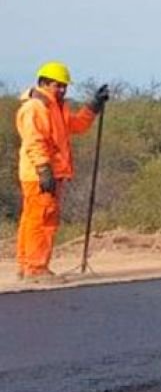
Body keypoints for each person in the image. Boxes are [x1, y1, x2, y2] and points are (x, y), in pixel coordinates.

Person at [15, 62, 109, 281]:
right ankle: (36, 268)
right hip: (40, 174)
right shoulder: (35, 108)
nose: (63, 90)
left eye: (65, 86)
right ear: (44, 83)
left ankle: (26, 264)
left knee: (32, 219)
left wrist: (93, 106)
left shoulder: (56, 106)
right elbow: (34, 141)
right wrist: (43, 169)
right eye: (58, 85)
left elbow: (77, 126)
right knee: (43, 220)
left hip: (49, 173)